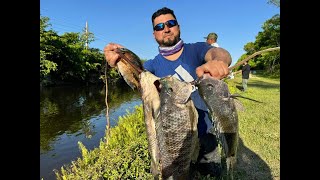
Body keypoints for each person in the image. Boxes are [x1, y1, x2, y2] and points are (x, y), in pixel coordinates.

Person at [104, 7, 232, 178]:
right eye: (159, 27)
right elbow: (137, 82)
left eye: (170, 23)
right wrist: (121, 61)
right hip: (174, 141)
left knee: (212, 175)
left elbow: (219, 53)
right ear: (154, 34)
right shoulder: (152, 66)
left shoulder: (196, 50)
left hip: (205, 134)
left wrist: (219, 61)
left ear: (178, 27)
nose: (166, 28)